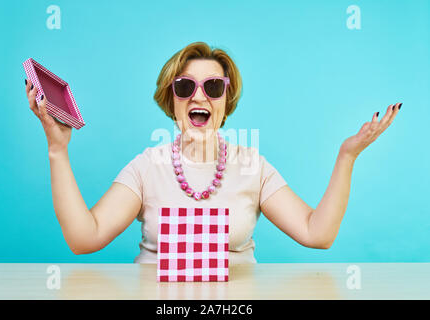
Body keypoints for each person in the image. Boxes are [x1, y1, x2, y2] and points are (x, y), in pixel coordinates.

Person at [24, 42, 402, 264]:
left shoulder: (253, 167)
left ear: (226, 100)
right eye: (185, 86)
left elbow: (316, 233)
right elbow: (83, 239)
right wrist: (57, 150)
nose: (199, 96)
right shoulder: (146, 168)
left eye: (213, 87)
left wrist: (347, 156)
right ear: (171, 100)